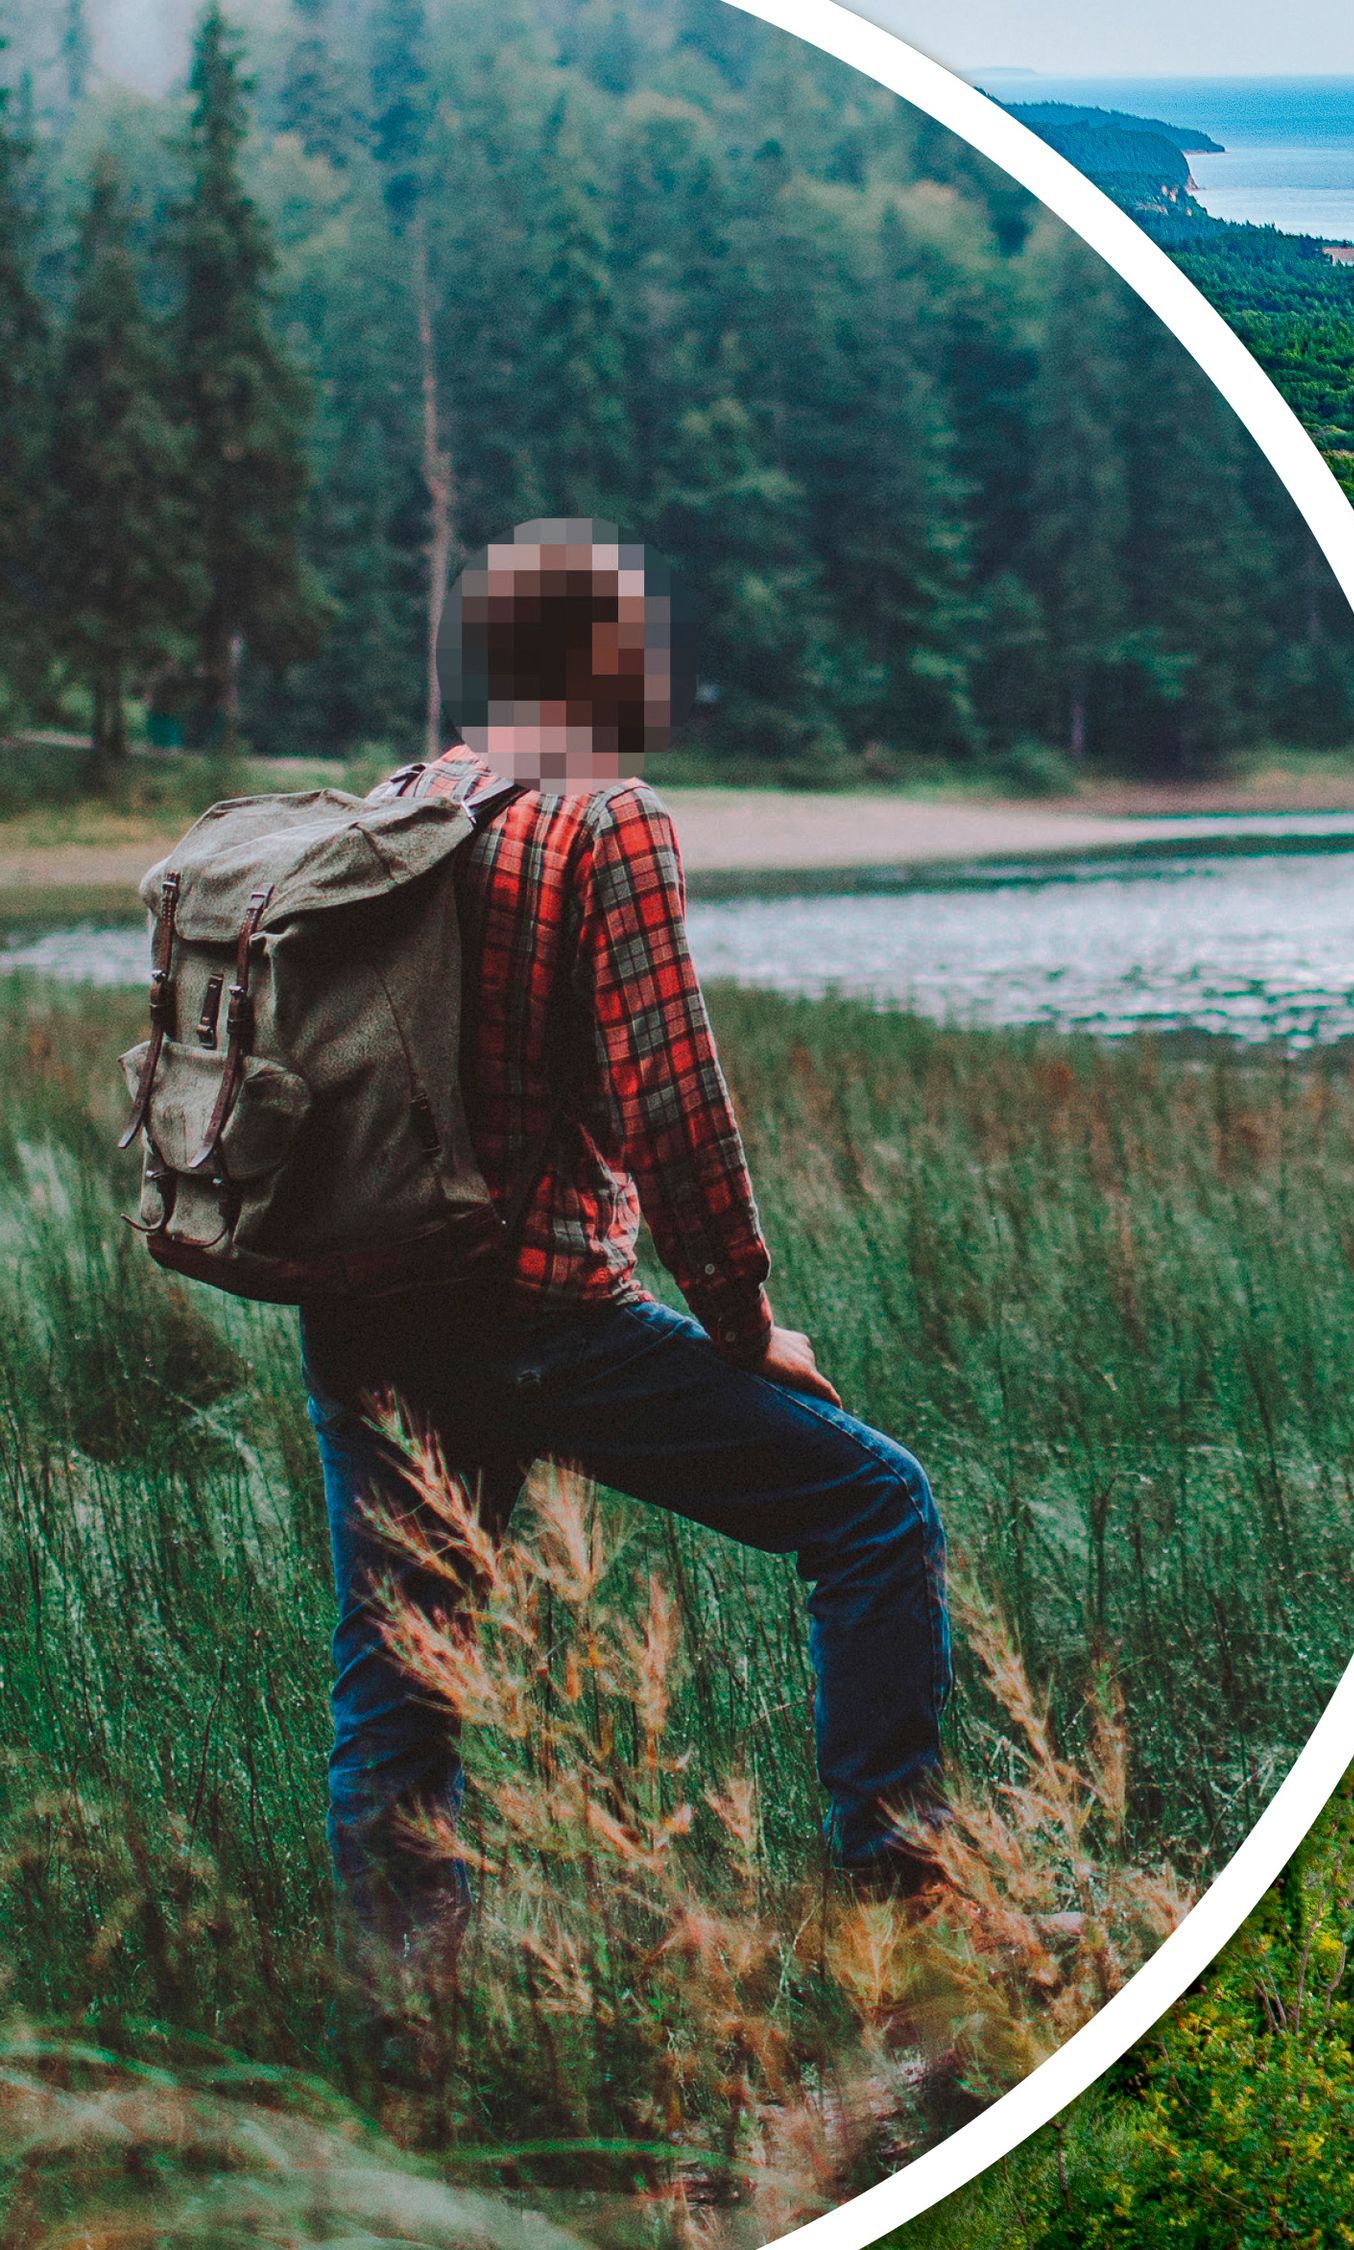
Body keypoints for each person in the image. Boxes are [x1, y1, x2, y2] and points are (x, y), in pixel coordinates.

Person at [303, 521, 949, 1940]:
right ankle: (903, 1918)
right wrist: (742, 1325)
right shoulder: (609, 817)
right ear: (595, 659)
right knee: (875, 1509)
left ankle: (405, 2019)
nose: (656, 664)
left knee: (399, 1681)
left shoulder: (410, 798)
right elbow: (675, 1103)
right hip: (537, 1320)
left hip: (364, 1318)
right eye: (641, 638)